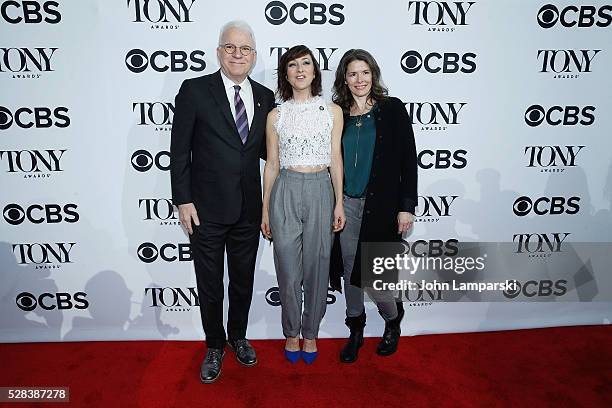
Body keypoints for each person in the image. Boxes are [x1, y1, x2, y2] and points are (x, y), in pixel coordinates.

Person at [170, 20, 275, 383]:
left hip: (248, 208)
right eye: (230, 47)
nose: (237, 54)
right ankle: (214, 344)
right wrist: (183, 200)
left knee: (243, 281)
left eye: (245, 49)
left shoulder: (265, 96)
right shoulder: (195, 90)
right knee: (210, 283)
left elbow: (269, 153)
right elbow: (179, 151)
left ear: (254, 56)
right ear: (218, 51)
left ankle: (238, 337)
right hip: (206, 210)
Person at [330, 49, 418, 363]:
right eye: (352, 73)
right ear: (344, 78)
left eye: (364, 72)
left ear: (373, 75)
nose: (359, 79)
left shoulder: (392, 109)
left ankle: (392, 320)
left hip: (382, 206)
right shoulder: (337, 112)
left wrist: (406, 206)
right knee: (351, 273)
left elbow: (409, 159)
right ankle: (355, 329)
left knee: (377, 279)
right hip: (346, 207)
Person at [261, 45, 345, 365]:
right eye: (292, 65)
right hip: (285, 188)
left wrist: (339, 202)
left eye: (305, 63)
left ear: (314, 70)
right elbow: (271, 164)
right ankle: (291, 332)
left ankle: (311, 333)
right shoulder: (276, 115)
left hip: (321, 189)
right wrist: (265, 208)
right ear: (285, 73)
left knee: (318, 265)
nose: (300, 70)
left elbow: (335, 159)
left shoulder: (331, 111)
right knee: (287, 268)